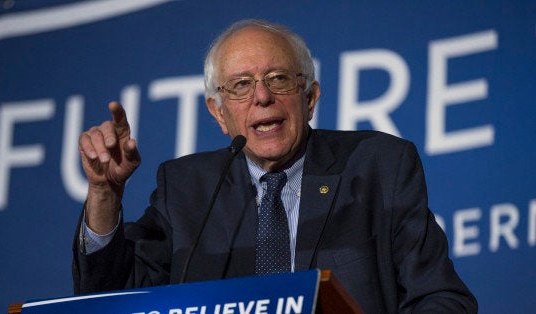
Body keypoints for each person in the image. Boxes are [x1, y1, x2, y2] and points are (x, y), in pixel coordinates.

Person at [73, 19, 477, 313]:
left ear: (310, 97)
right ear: (218, 112)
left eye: (279, 78)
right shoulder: (186, 189)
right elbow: (111, 300)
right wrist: (104, 193)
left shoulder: (377, 168)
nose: (262, 96)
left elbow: (442, 299)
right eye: (241, 85)